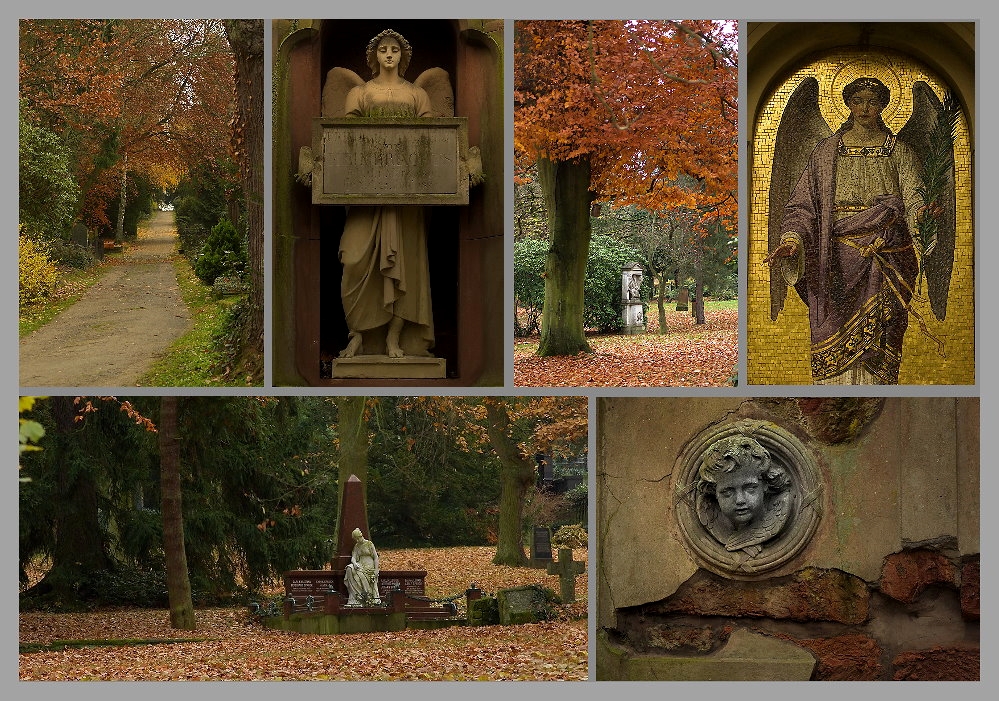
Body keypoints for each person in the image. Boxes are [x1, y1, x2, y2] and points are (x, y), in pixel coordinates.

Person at [764, 77, 923, 384]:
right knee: (831, 329)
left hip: (884, 250)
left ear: (884, 106)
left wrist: (924, 215)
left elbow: (915, 195)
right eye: (859, 100)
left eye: (873, 101)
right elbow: (802, 206)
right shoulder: (826, 152)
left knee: (881, 336)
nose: (865, 108)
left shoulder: (898, 151)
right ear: (849, 104)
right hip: (835, 258)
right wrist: (792, 240)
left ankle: (876, 390)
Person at [338, 29, 435, 359]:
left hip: (406, 196)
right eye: (383, 50)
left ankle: (394, 337)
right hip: (365, 194)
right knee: (353, 259)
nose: (389, 55)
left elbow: (434, 142)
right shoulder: (359, 94)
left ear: (403, 56)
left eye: (395, 49)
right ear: (374, 56)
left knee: (403, 270)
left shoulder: (417, 94)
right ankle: (357, 334)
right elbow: (340, 142)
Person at [696, 436, 792, 553]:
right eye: (727, 492)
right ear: (714, 492)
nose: (740, 500)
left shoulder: (784, 502)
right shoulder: (706, 507)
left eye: (750, 488)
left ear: (765, 484)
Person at [344, 527, 381, 605]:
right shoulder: (357, 546)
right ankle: (355, 598)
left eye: (357, 538)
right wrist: (354, 563)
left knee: (361, 575)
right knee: (349, 568)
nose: (357, 541)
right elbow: (353, 557)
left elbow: (375, 557)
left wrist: (376, 570)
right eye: (355, 539)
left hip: (369, 567)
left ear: (361, 536)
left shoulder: (369, 544)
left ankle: (368, 598)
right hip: (360, 565)